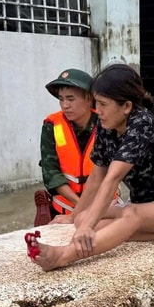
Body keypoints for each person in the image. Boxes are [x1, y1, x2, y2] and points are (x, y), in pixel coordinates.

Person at [28, 63, 154, 271]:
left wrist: (85, 230)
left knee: (128, 216)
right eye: (96, 103)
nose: (98, 111)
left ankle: (62, 256)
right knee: (85, 217)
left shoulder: (142, 124)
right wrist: (76, 218)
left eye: (103, 104)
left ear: (127, 106)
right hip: (146, 204)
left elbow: (112, 179)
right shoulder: (107, 125)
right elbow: (96, 178)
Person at [35, 68, 100, 226]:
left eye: (71, 99)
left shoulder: (106, 123)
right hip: (65, 209)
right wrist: (80, 206)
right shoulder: (51, 125)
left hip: (104, 206)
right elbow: (51, 174)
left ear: (89, 99)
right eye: (61, 99)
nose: (65, 105)